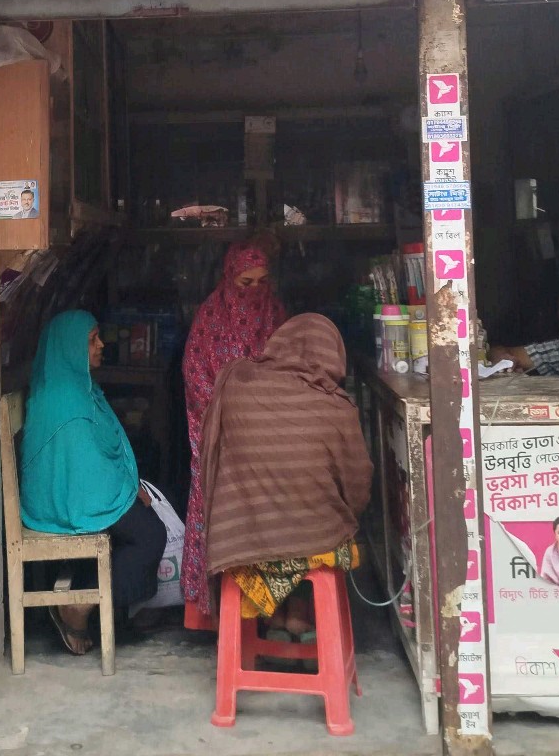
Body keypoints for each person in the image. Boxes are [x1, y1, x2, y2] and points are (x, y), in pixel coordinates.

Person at [199, 314, 372, 632]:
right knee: (319, 532)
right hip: (314, 539)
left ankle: (272, 614)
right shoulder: (337, 406)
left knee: (278, 527)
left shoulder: (236, 383)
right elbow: (358, 485)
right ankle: (299, 615)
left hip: (241, 539)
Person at [20, 311, 167, 656]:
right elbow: (86, 472)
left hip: (82, 490)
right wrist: (128, 491)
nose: (101, 345)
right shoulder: (66, 401)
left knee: (146, 519)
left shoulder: (78, 387)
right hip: (64, 500)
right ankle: (79, 607)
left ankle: (93, 601)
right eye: (91, 340)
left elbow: (92, 466)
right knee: (150, 535)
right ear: (69, 348)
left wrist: (130, 486)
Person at [181, 240, 287, 628]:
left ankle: (271, 609)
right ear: (229, 278)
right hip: (220, 434)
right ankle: (218, 613)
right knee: (220, 510)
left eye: (262, 282)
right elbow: (195, 376)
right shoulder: (209, 318)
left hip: (268, 435)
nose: (254, 291)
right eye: (246, 283)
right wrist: (233, 414)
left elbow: (289, 371)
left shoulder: (276, 315)